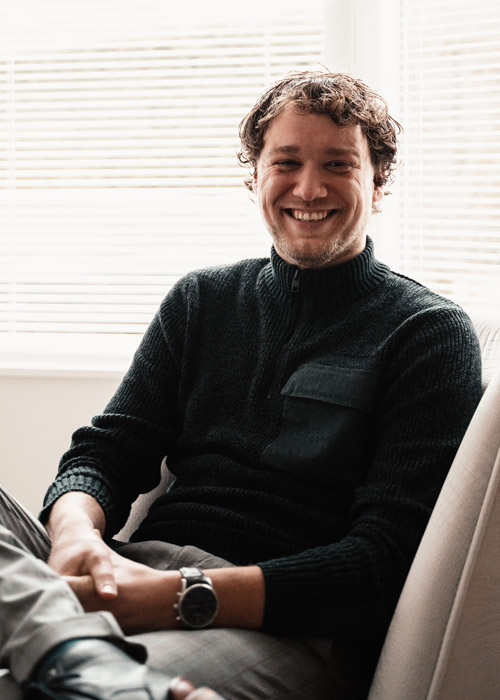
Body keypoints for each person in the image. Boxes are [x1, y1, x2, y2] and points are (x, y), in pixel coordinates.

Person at [0, 71, 482, 700]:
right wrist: (76, 538)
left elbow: (381, 562)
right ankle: (76, 651)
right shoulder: (201, 299)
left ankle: (60, 645)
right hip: (131, 569)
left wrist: (173, 597)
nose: (309, 188)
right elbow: (108, 452)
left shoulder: (428, 333)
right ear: (255, 176)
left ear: (378, 182)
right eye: (287, 162)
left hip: (276, 624)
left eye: (338, 164)